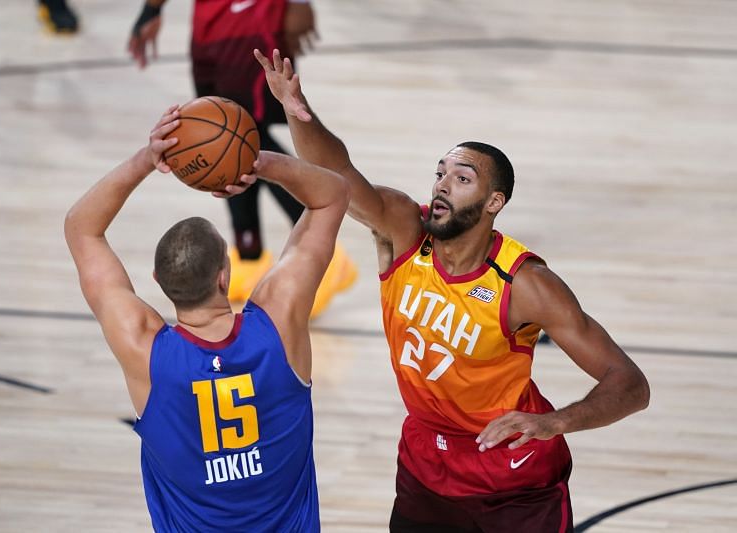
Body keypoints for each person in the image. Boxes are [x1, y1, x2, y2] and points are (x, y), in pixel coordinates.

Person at [255, 49, 651, 532]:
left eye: (462, 179)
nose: (442, 185)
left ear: (494, 202)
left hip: (513, 483)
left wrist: (554, 423)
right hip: (425, 468)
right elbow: (338, 175)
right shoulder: (404, 229)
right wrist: (299, 111)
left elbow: (630, 383)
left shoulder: (526, 284)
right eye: (440, 172)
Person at [64, 104, 349, 531]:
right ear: (226, 275)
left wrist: (147, 159)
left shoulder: (142, 347)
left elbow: (81, 228)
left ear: (159, 280)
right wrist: (257, 160)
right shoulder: (278, 322)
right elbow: (332, 197)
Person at [127, 0, 355, 316]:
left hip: (253, 20)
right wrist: (152, 9)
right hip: (209, 26)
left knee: (237, 132)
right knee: (219, 141)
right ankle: (250, 254)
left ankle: (323, 247)